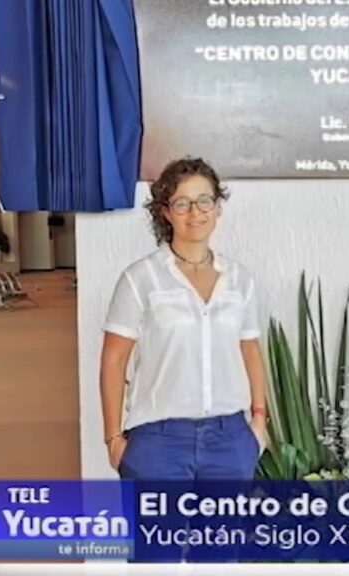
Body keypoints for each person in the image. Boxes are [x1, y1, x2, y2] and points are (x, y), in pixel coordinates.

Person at [99, 157, 268, 482]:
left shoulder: (239, 279)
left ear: (218, 207)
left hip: (229, 438)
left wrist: (258, 421)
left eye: (205, 201)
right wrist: (112, 438)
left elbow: (250, 350)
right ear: (164, 211)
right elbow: (114, 359)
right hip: (157, 440)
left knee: (222, 535)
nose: (195, 213)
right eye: (182, 203)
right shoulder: (140, 278)